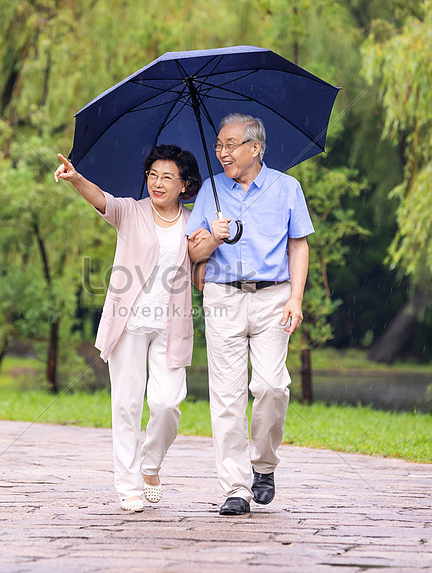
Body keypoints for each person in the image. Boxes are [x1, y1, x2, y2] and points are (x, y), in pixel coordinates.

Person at [55, 145, 203, 512]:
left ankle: (150, 463)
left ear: (184, 184)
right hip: (130, 323)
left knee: (168, 404)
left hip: (172, 325)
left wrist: (216, 234)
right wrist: (76, 180)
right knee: (126, 404)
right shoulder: (131, 211)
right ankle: (127, 483)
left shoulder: (193, 221)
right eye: (152, 174)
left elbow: (202, 268)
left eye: (167, 177)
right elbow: (101, 199)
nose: (157, 182)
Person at [186, 113, 313, 516]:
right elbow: (192, 253)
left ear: (254, 148)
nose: (222, 152)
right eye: (219, 145)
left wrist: (296, 297)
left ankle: (263, 464)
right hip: (223, 295)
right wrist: (213, 237)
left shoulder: (286, 187)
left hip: (273, 297)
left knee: (273, 386)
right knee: (226, 397)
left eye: (231, 144)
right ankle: (236, 488)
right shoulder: (210, 190)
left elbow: (298, 246)